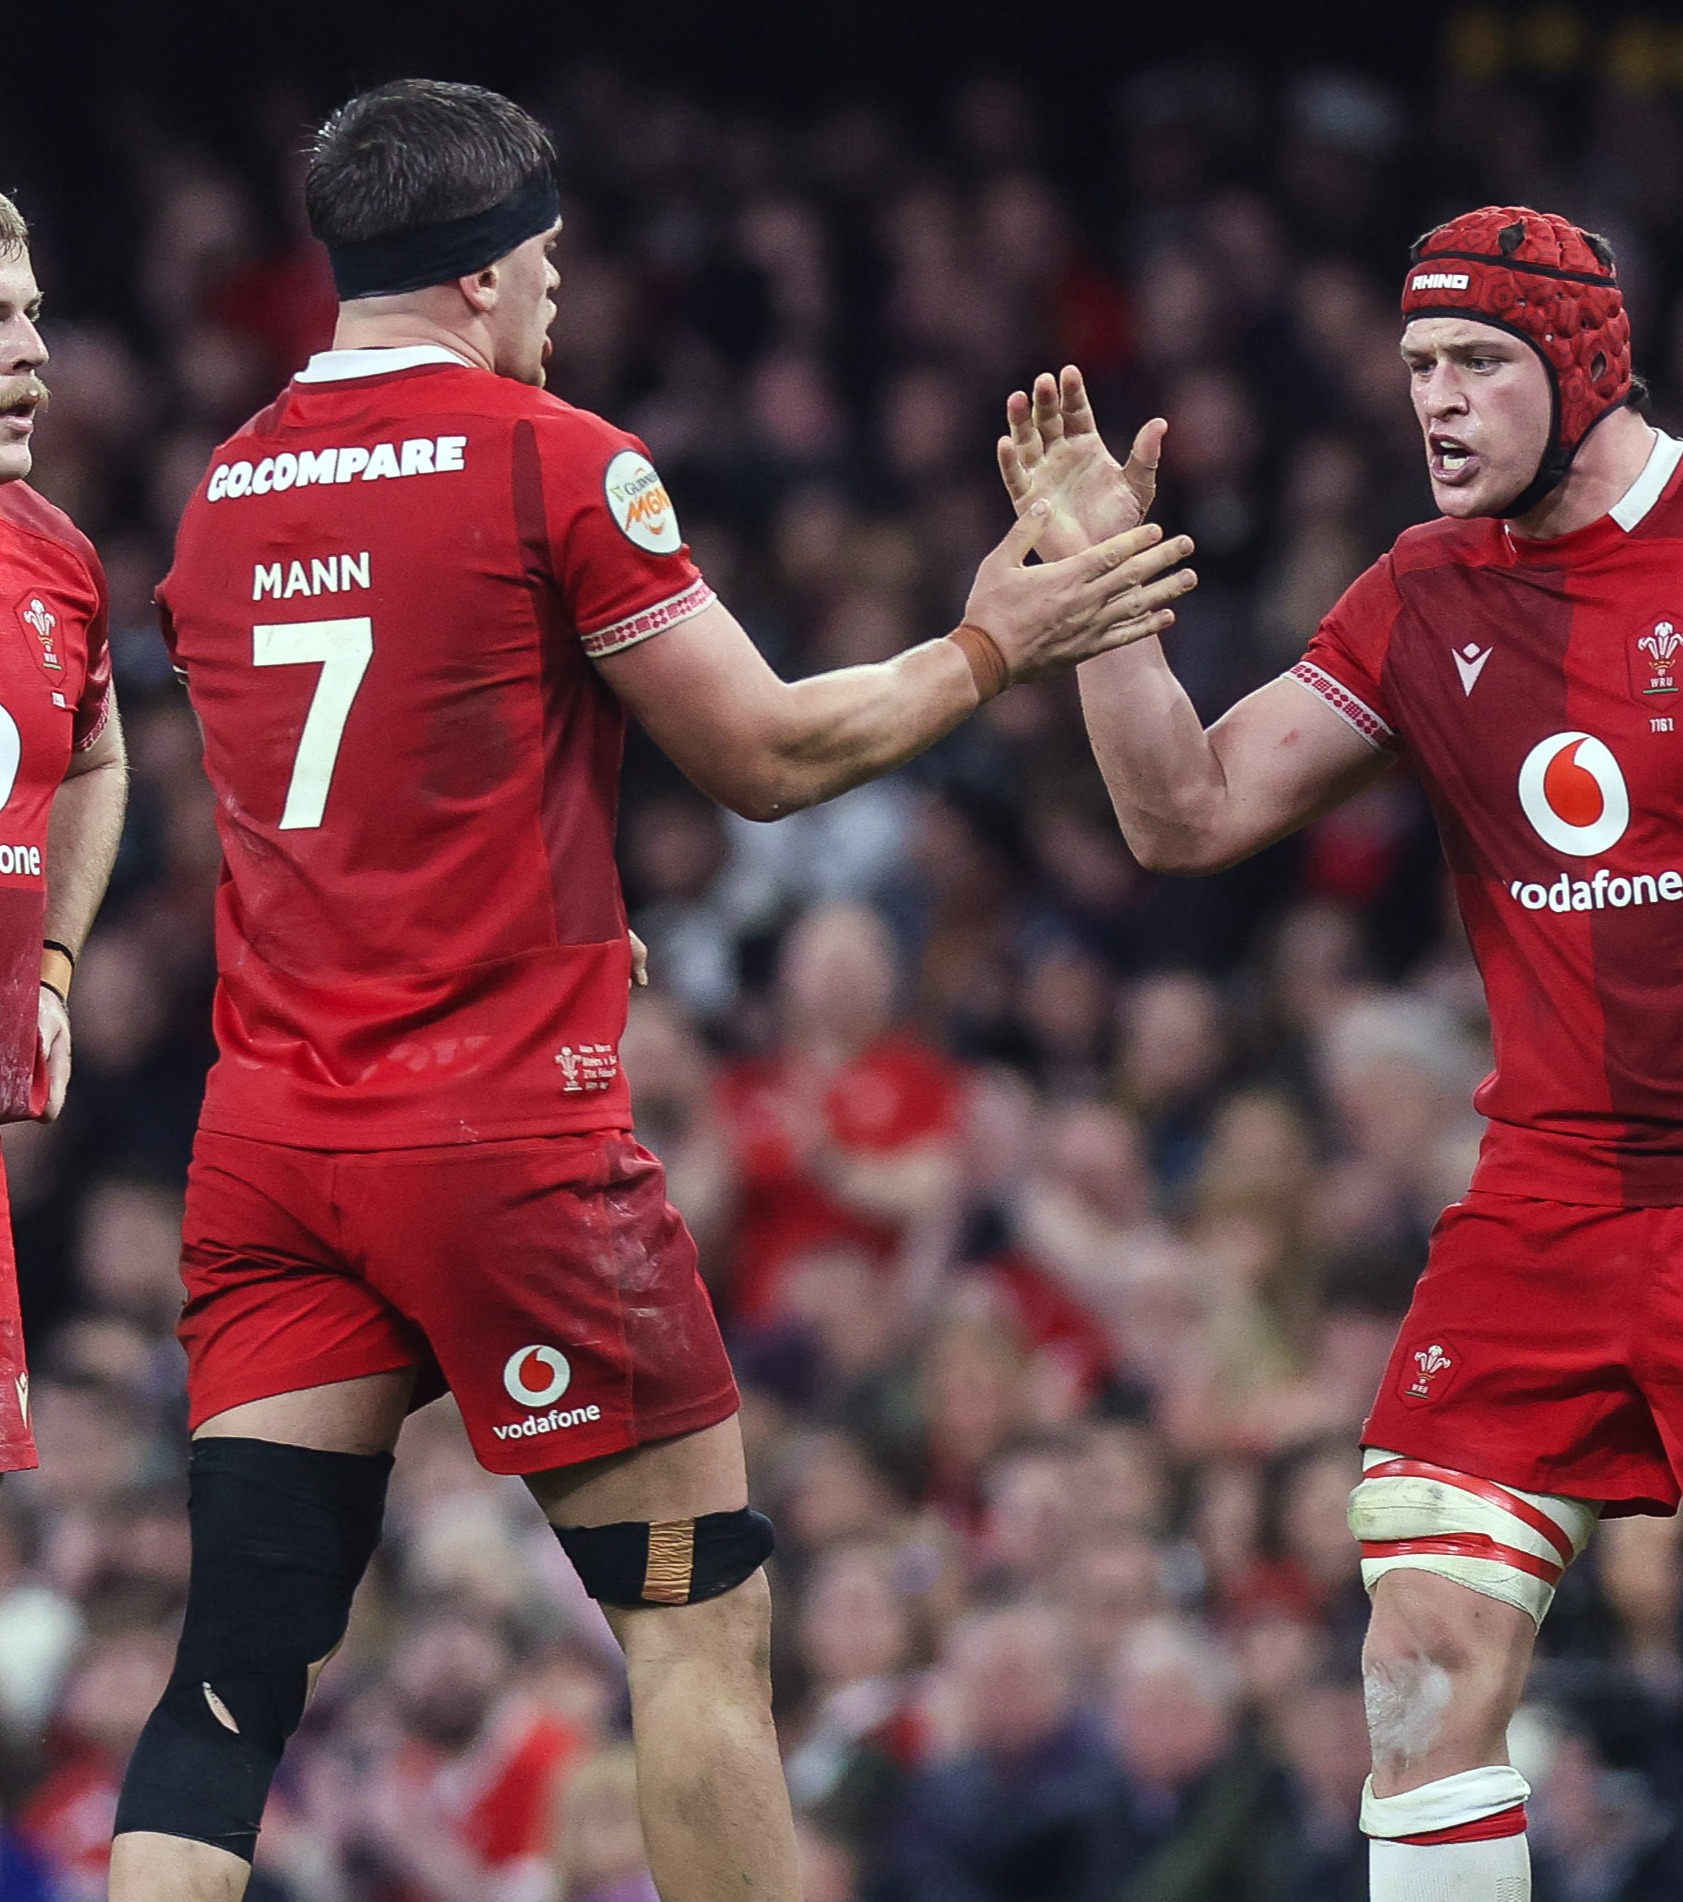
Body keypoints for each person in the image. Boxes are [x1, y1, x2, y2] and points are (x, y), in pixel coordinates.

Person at [114, 78, 1195, 1902]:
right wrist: (1005, 633)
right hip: (498, 1144)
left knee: (232, 1672)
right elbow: (766, 754)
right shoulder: (551, 456)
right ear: (479, 269)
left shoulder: (221, 496)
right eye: (545, 251)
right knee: (696, 1621)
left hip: (274, 1148)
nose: (558, 285)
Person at [1001, 204, 1683, 1902]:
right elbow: (1190, 811)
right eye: (1414, 370)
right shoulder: (1422, 591)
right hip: (1550, 1203)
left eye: (1473, 363)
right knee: (1418, 1661)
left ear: (1582, 365)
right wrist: (1098, 607)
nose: (1434, 403)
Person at [0, 189, 137, 1466]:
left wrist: (49, 969)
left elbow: (97, 762)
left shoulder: (56, 558)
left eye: (32, 317)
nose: (34, 354)